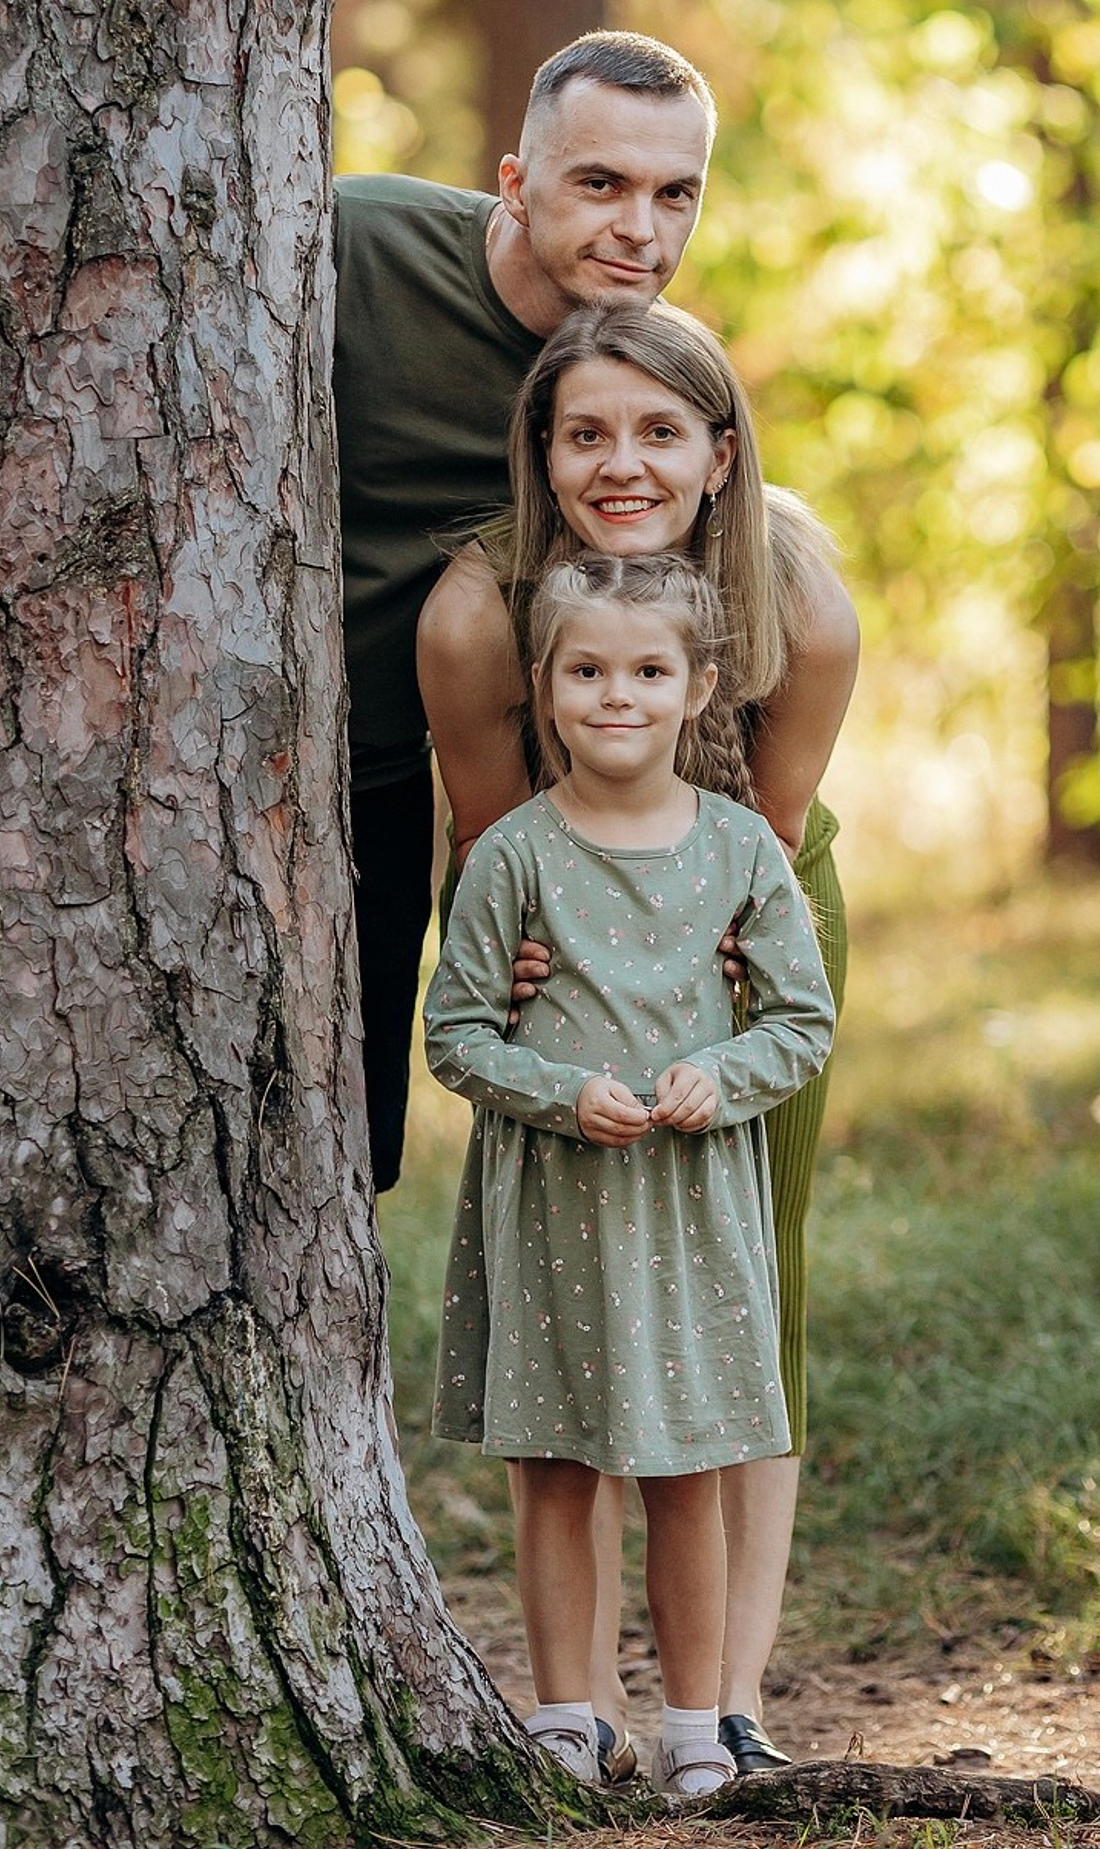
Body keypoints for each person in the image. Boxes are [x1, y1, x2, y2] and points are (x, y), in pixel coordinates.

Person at [417, 299, 858, 1778]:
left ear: (721, 455)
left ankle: (714, 1712)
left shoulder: (788, 607)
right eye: (587, 431)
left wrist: (716, 1052)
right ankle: (566, 1711)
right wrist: (553, 1036)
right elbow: (473, 985)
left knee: (717, 1411)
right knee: (561, 1454)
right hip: (568, 1124)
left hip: (705, 1060)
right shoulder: (481, 622)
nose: (625, 459)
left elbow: (771, 917)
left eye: (662, 431)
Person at [334, 30, 718, 1193]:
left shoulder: (641, 385)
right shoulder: (351, 240)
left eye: (674, 194)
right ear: (515, 182)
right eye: (599, 183)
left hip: (379, 779)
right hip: (169, 751)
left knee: (344, 1150)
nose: (638, 230)